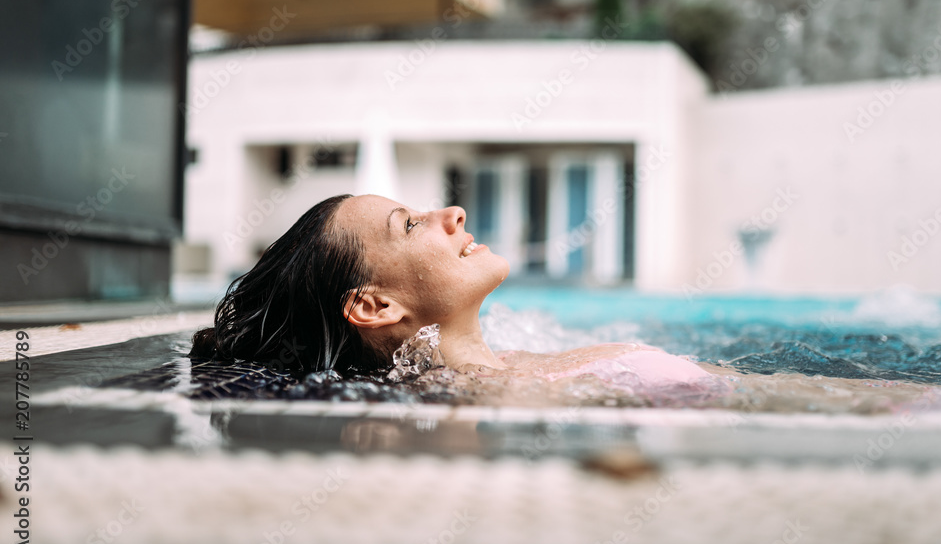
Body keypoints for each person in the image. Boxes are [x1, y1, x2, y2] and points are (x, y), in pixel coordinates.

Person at [191, 194, 712, 387]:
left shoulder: (511, 372)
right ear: (374, 305)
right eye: (412, 224)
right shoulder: (492, 403)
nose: (453, 213)